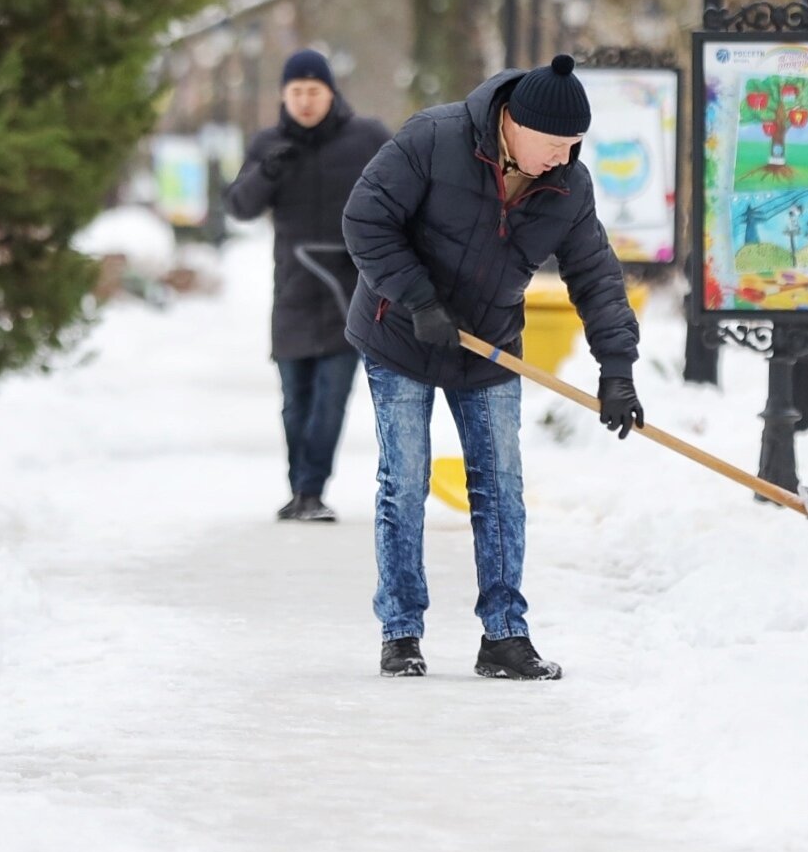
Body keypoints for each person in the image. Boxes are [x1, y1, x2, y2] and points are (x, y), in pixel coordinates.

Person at [343, 54, 642, 681]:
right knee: (406, 480)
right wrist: (418, 300)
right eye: (556, 144)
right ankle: (401, 631)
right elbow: (366, 219)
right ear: (514, 123)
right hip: (400, 332)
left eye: (575, 145)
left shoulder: (568, 186)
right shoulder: (434, 138)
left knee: (501, 485)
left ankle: (504, 634)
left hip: (490, 345)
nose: (565, 157)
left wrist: (616, 369)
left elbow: (596, 276)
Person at [226, 49, 390, 522]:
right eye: (295, 92)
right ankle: (299, 488)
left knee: (330, 400)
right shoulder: (269, 144)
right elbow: (239, 207)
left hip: (350, 293)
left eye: (313, 91)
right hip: (294, 292)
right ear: (283, 95)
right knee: (295, 402)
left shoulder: (367, 138)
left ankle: (311, 490)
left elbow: (402, 189)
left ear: (330, 92)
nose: (304, 101)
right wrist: (268, 171)